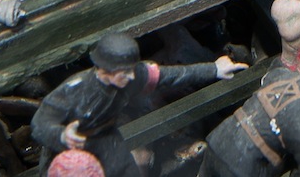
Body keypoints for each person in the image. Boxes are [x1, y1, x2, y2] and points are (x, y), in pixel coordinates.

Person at [32, 31, 245, 177]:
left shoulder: (130, 77)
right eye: (125, 72)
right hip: (68, 153)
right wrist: (62, 135)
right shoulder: (73, 91)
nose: (132, 76)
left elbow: (171, 76)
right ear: (105, 70)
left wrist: (214, 69)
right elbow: (39, 125)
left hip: (106, 141)